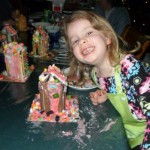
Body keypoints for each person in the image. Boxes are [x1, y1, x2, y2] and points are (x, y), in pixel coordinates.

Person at [63, 10, 150, 150]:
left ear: (107, 37)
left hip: (143, 136)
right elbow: (121, 93)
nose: (82, 41)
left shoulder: (130, 68)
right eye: (75, 41)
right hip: (124, 132)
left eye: (89, 33)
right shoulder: (95, 73)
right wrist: (106, 95)